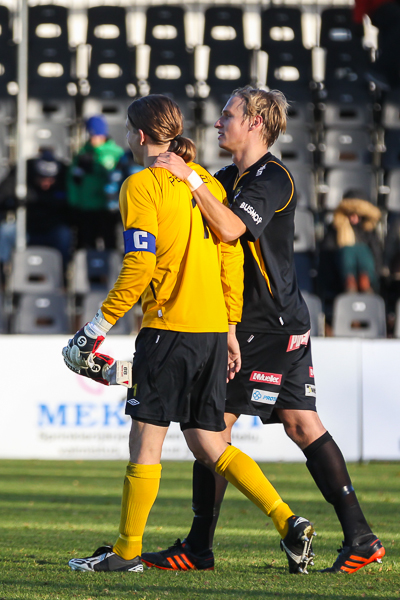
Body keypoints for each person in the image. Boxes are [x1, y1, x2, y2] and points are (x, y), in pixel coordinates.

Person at [63, 94, 315, 574]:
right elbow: (230, 258)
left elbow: (140, 264)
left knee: (146, 439)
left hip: (169, 329)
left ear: (137, 136)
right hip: (210, 334)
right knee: (209, 444)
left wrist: (96, 326)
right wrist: (230, 329)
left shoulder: (141, 185)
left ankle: (127, 552)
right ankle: (288, 521)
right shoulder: (205, 183)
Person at [147, 86, 386, 574]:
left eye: (228, 115)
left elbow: (231, 229)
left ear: (255, 122)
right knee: (299, 424)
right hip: (279, 322)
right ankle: (361, 537)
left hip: (265, 327)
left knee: (205, 430)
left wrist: (188, 177)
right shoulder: (225, 177)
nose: (218, 123)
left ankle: (201, 547)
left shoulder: (272, 177)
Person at [0, 147, 71, 270]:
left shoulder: (64, 175)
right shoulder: (21, 172)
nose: (46, 184)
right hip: (25, 228)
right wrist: (14, 201)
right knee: (6, 231)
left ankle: (62, 274)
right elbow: (3, 196)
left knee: (64, 235)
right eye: (42, 178)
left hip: (51, 228)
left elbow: (71, 205)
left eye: (50, 180)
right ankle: (2, 274)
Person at [67, 115, 124, 250]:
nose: (94, 139)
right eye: (92, 135)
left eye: (97, 135)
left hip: (107, 207)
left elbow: (119, 178)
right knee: (87, 243)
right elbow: (73, 180)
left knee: (110, 243)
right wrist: (74, 202)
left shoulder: (116, 153)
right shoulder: (82, 153)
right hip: (87, 206)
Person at [332, 191, 382, 293]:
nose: (353, 217)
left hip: (369, 273)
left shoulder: (368, 231)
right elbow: (328, 254)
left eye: (357, 214)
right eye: (350, 214)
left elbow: (377, 253)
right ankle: (350, 282)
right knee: (348, 251)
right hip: (340, 276)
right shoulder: (336, 229)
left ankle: (365, 282)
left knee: (362, 251)